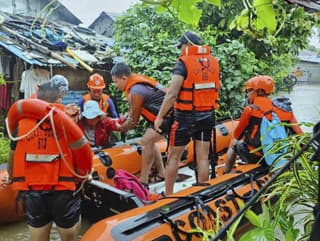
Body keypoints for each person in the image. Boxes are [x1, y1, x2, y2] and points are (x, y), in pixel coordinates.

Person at [7, 82, 93, 241]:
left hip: (33, 193)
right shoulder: (68, 124)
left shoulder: (21, 127)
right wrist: (83, 176)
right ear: (59, 99)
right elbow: (82, 155)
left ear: (37, 98)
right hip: (63, 191)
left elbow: (13, 156)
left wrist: (12, 177)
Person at [154, 31, 220, 195]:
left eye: (181, 46)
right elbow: (217, 87)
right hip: (207, 115)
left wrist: (160, 116)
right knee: (203, 157)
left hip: (185, 117)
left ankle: (168, 195)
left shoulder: (183, 63)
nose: (180, 50)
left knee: (173, 157)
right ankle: (203, 193)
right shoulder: (213, 62)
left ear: (188, 45)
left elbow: (172, 93)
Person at [224, 75, 303, 173]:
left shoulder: (250, 110)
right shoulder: (285, 110)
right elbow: (300, 135)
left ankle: (226, 173)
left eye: (249, 91)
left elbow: (237, 135)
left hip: (257, 156)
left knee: (234, 144)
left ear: (260, 91)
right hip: (279, 155)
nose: (248, 94)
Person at [110, 62, 171, 186]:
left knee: (146, 141)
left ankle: (143, 180)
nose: (116, 85)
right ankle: (161, 173)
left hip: (169, 116)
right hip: (161, 116)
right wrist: (126, 117)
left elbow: (133, 120)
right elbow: (133, 112)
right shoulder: (137, 85)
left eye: (116, 82)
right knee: (150, 141)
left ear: (124, 78)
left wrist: (121, 128)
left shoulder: (136, 91)